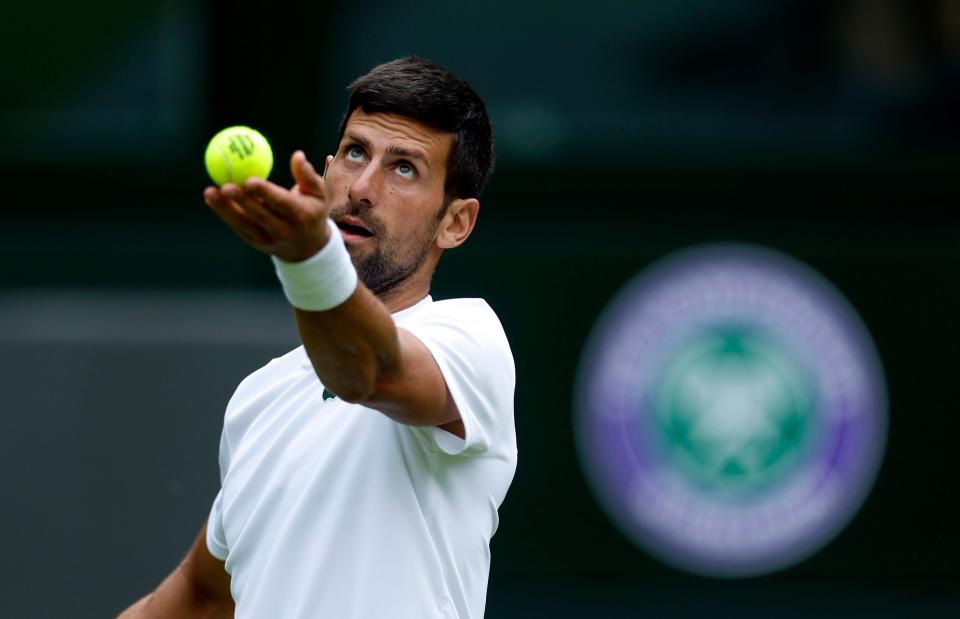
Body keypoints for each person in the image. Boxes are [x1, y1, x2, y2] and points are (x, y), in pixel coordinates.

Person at [118, 56, 516, 619]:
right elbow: (201, 594)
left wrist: (308, 258)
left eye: (404, 168)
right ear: (327, 169)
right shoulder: (259, 399)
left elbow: (367, 373)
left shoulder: (471, 338)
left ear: (456, 222)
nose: (362, 188)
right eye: (356, 153)